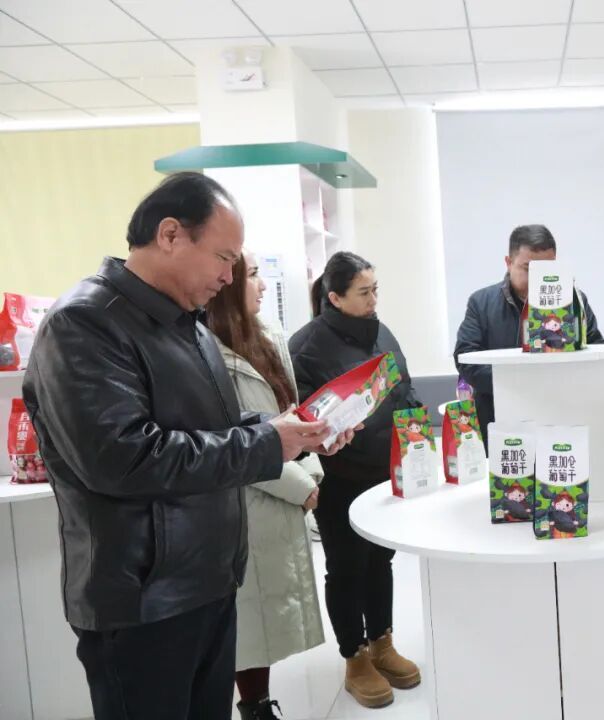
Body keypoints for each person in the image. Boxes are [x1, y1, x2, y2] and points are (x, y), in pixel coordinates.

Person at [21, 172, 353, 720]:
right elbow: (125, 459)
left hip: (210, 584)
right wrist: (266, 443)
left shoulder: (188, 325)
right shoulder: (84, 323)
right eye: (223, 258)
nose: (229, 276)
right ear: (171, 234)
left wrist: (294, 432)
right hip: (143, 602)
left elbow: (214, 424)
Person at [289, 251, 422, 709]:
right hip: (340, 477)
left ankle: (383, 642)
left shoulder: (382, 332)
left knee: (380, 560)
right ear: (335, 298)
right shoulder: (306, 346)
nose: (373, 300)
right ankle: (355, 656)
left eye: (375, 290)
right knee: (346, 567)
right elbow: (304, 417)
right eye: (363, 292)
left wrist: (415, 429)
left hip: (384, 472)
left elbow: (403, 385)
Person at [206, 251, 326, 720]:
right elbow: (231, 436)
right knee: (247, 619)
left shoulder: (268, 335)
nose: (262, 285)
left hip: (284, 486)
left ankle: (258, 703)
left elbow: (289, 413)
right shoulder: (205, 351)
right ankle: (254, 708)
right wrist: (300, 484)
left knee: (266, 616)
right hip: (247, 498)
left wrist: (311, 466)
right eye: (253, 275)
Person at [454, 224, 604, 443]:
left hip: (561, 419)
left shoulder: (574, 300)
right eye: (529, 269)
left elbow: (597, 350)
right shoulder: (481, 302)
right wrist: (520, 385)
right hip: (500, 422)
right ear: (508, 263)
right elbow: (466, 359)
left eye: (547, 269)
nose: (538, 279)